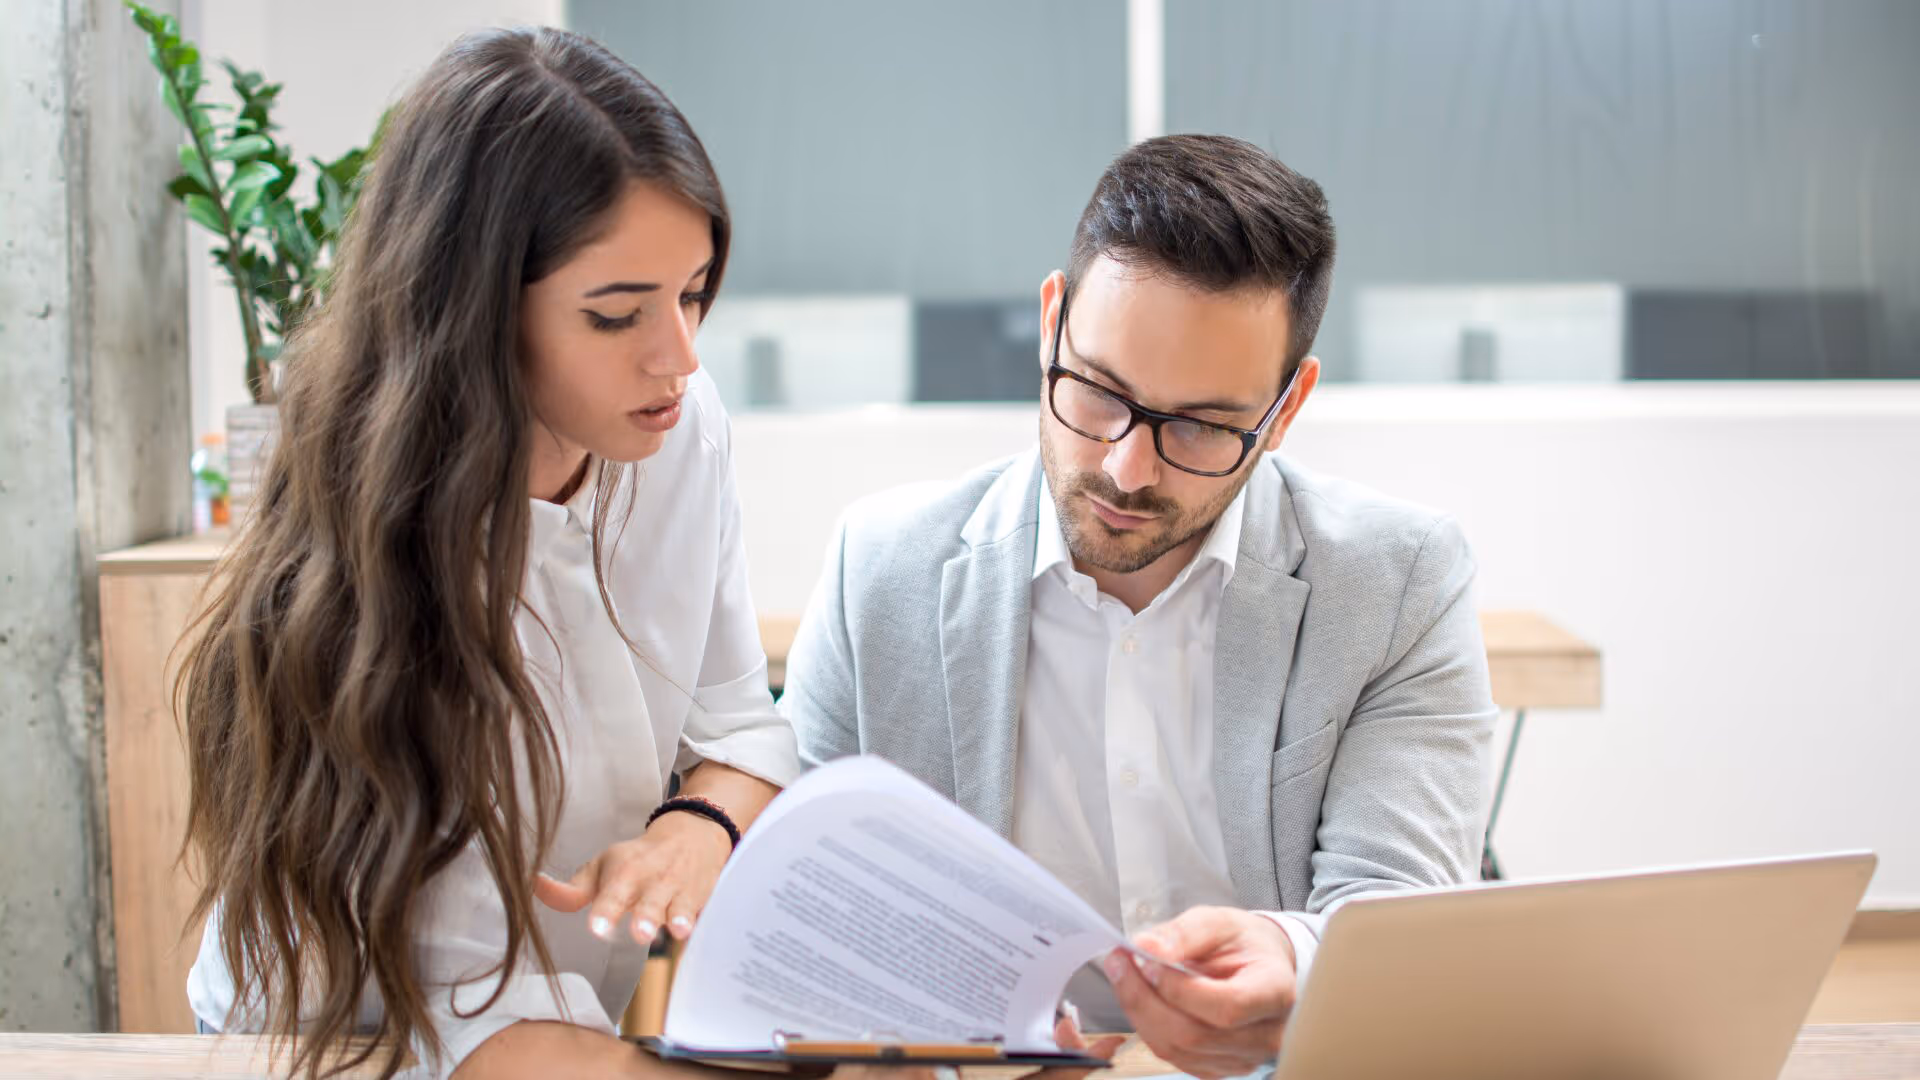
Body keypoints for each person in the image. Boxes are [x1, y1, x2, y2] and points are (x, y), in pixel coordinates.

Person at [780, 135, 1498, 1079]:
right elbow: (805, 915)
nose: (1125, 467)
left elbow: (1396, 921)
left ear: (1284, 410)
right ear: (1051, 326)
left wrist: (1293, 961)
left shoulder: (1397, 580)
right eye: (1098, 391)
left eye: (1200, 425)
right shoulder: (881, 569)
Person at [178, 27, 798, 1079]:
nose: (680, 357)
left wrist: (696, 826)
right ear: (475, 314)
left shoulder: (677, 430)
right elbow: (465, 1000)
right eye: (616, 315)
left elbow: (739, 725)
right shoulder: (386, 552)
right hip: (353, 1036)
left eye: (693, 293)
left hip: (549, 1022)